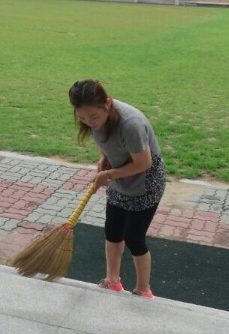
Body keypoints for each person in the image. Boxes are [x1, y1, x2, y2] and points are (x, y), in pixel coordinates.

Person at [68, 79, 165, 298]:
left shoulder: (131, 124)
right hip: (119, 175)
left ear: (108, 103)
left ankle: (143, 289)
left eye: (94, 117)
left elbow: (144, 163)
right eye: (82, 117)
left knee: (134, 238)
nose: (89, 122)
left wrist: (109, 175)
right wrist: (104, 158)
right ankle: (112, 281)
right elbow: (105, 142)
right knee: (112, 231)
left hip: (145, 183)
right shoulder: (92, 118)